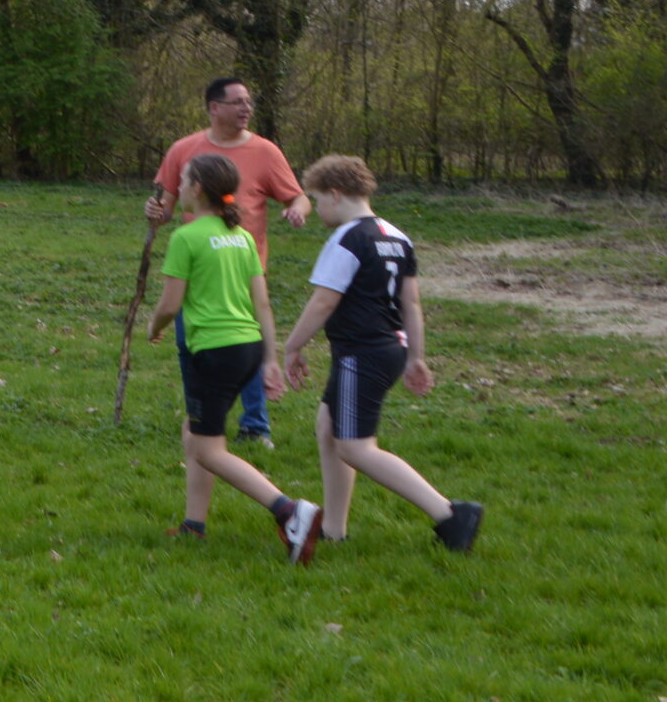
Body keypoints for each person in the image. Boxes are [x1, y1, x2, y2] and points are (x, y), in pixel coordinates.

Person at [280, 155, 483, 552]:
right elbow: (412, 304)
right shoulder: (397, 236)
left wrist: (292, 345)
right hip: (388, 349)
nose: (317, 207)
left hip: (362, 353)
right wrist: (416, 356)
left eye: (318, 198)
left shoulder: (348, 239)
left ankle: (450, 514)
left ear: (336, 195)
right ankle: (333, 529)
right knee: (328, 427)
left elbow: (324, 302)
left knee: (355, 446)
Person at [147, 152, 320, 562]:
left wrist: (152, 328)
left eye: (185, 179)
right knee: (196, 432)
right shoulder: (241, 236)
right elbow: (262, 304)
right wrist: (270, 357)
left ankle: (290, 511)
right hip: (246, 348)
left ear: (198, 189)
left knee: (208, 448)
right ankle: (194, 524)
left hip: (213, 351)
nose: (180, 185)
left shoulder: (186, 238)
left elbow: (171, 305)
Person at [146, 77, 310, 446]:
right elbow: (166, 207)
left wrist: (298, 211)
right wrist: (155, 211)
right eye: (237, 102)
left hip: (245, 268)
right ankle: (202, 419)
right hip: (197, 270)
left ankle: (255, 426)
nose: (246, 108)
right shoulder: (183, 149)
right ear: (213, 107)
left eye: (249, 101)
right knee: (191, 345)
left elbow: (298, 197)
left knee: (244, 341)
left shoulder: (266, 151)